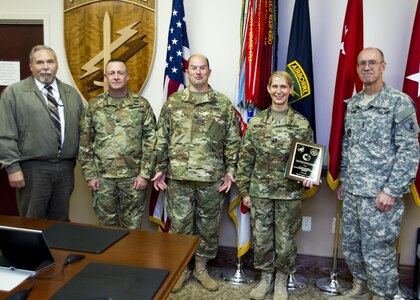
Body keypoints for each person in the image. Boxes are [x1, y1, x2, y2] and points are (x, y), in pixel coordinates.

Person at [331, 48, 419, 300]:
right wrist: (344, 181)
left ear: (383, 66)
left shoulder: (399, 102)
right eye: (362, 64)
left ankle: (383, 295)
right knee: (352, 246)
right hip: (354, 192)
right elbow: (348, 146)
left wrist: (391, 191)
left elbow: (409, 150)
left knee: (379, 250)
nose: (367, 67)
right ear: (357, 69)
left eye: (372, 62)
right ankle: (360, 287)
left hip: (381, 195)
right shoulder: (355, 104)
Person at [152, 54, 241, 292]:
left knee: (208, 227)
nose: (198, 72)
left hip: (212, 179)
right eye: (194, 68)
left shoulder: (222, 103)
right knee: (179, 226)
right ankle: (181, 269)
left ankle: (201, 268)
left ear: (209, 72)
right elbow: (162, 138)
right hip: (179, 177)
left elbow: (233, 141)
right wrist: (159, 168)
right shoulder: (173, 102)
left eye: (203, 68)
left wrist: (231, 170)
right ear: (187, 72)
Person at [236, 70, 314, 300]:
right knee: (261, 239)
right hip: (260, 192)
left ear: (291, 90)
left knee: (286, 240)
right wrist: (244, 191)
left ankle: (281, 281)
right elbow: (245, 158)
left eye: (284, 87)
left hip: (289, 194)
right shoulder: (257, 122)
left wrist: (308, 176)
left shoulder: (300, 123)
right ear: (269, 89)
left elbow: (308, 159)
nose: (279, 91)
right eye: (275, 87)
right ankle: (265, 279)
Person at [0, 45, 84, 221]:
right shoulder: (15, 93)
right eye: (40, 62)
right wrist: (12, 167)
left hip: (66, 168)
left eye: (50, 61)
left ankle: (57, 250)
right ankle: (29, 251)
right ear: (31, 66)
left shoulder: (71, 93)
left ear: (56, 65)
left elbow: (82, 130)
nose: (45, 66)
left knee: (60, 220)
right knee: (32, 221)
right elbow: (5, 133)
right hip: (33, 168)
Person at [78, 59, 156, 229]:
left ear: (127, 76)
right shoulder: (93, 106)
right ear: (105, 77)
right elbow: (85, 142)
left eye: (120, 73)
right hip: (102, 178)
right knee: (106, 226)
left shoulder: (141, 105)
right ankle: (109, 257)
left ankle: (131, 257)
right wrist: (90, 175)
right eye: (111, 73)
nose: (116, 77)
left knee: (133, 226)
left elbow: (151, 141)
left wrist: (144, 173)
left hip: (133, 178)